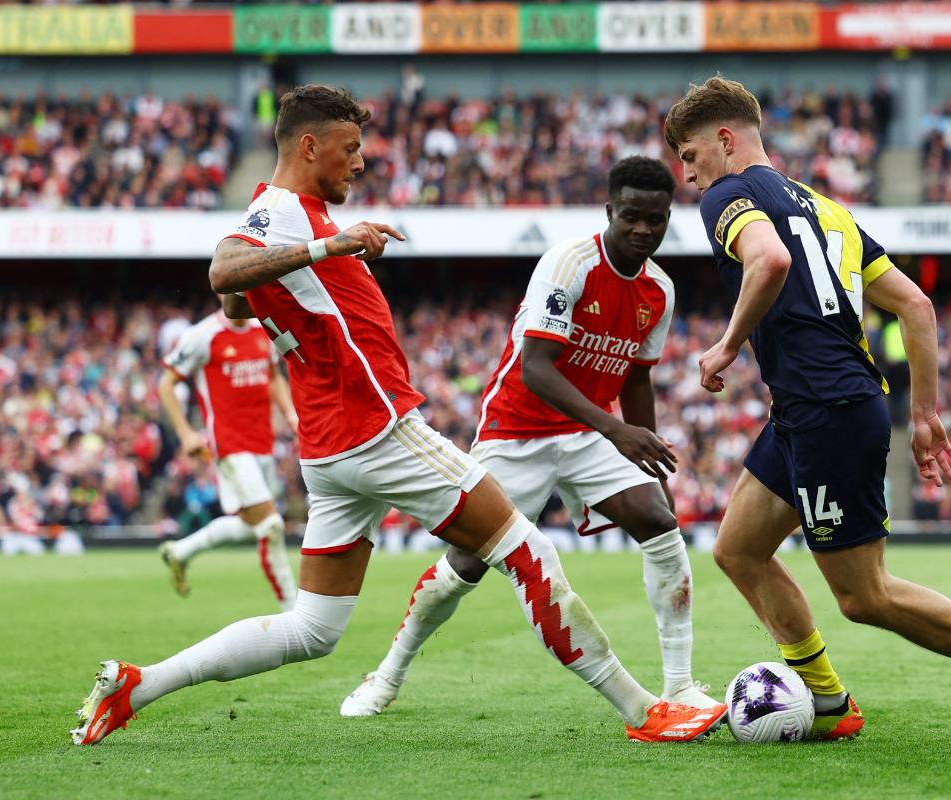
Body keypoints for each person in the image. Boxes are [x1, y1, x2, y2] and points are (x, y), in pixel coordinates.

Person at [70, 85, 724, 746]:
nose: (360, 162)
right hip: (379, 430)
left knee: (312, 629)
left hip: (329, 452)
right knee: (530, 552)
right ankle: (646, 710)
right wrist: (329, 250)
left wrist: (295, 271)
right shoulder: (289, 212)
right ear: (308, 146)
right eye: (350, 149)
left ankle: (140, 683)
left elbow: (238, 302)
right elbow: (222, 271)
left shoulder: (296, 216)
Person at [663, 76, 951, 743]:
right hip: (808, 410)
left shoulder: (730, 195)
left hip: (829, 409)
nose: (688, 172)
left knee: (863, 596)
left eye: (690, 154)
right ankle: (827, 701)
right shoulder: (827, 208)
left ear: (725, 141)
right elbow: (917, 306)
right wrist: (926, 413)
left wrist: (726, 346)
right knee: (738, 549)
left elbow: (768, 261)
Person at [341, 156, 720, 717]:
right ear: (610, 210)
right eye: (632, 217)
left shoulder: (658, 291)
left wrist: (646, 451)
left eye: (657, 220)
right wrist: (617, 430)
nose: (644, 230)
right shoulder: (568, 263)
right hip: (516, 429)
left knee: (662, 526)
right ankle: (388, 674)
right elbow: (537, 369)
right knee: (463, 569)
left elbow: (637, 375)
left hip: (588, 430)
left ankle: (680, 686)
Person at [157, 310, 299, 612]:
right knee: (272, 524)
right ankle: (295, 611)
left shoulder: (265, 327)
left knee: (253, 525)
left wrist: (290, 415)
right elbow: (166, 383)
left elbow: (273, 374)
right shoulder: (203, 335)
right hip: (230, 447)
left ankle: (180, 552)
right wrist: (185, 434)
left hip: (263, 443)